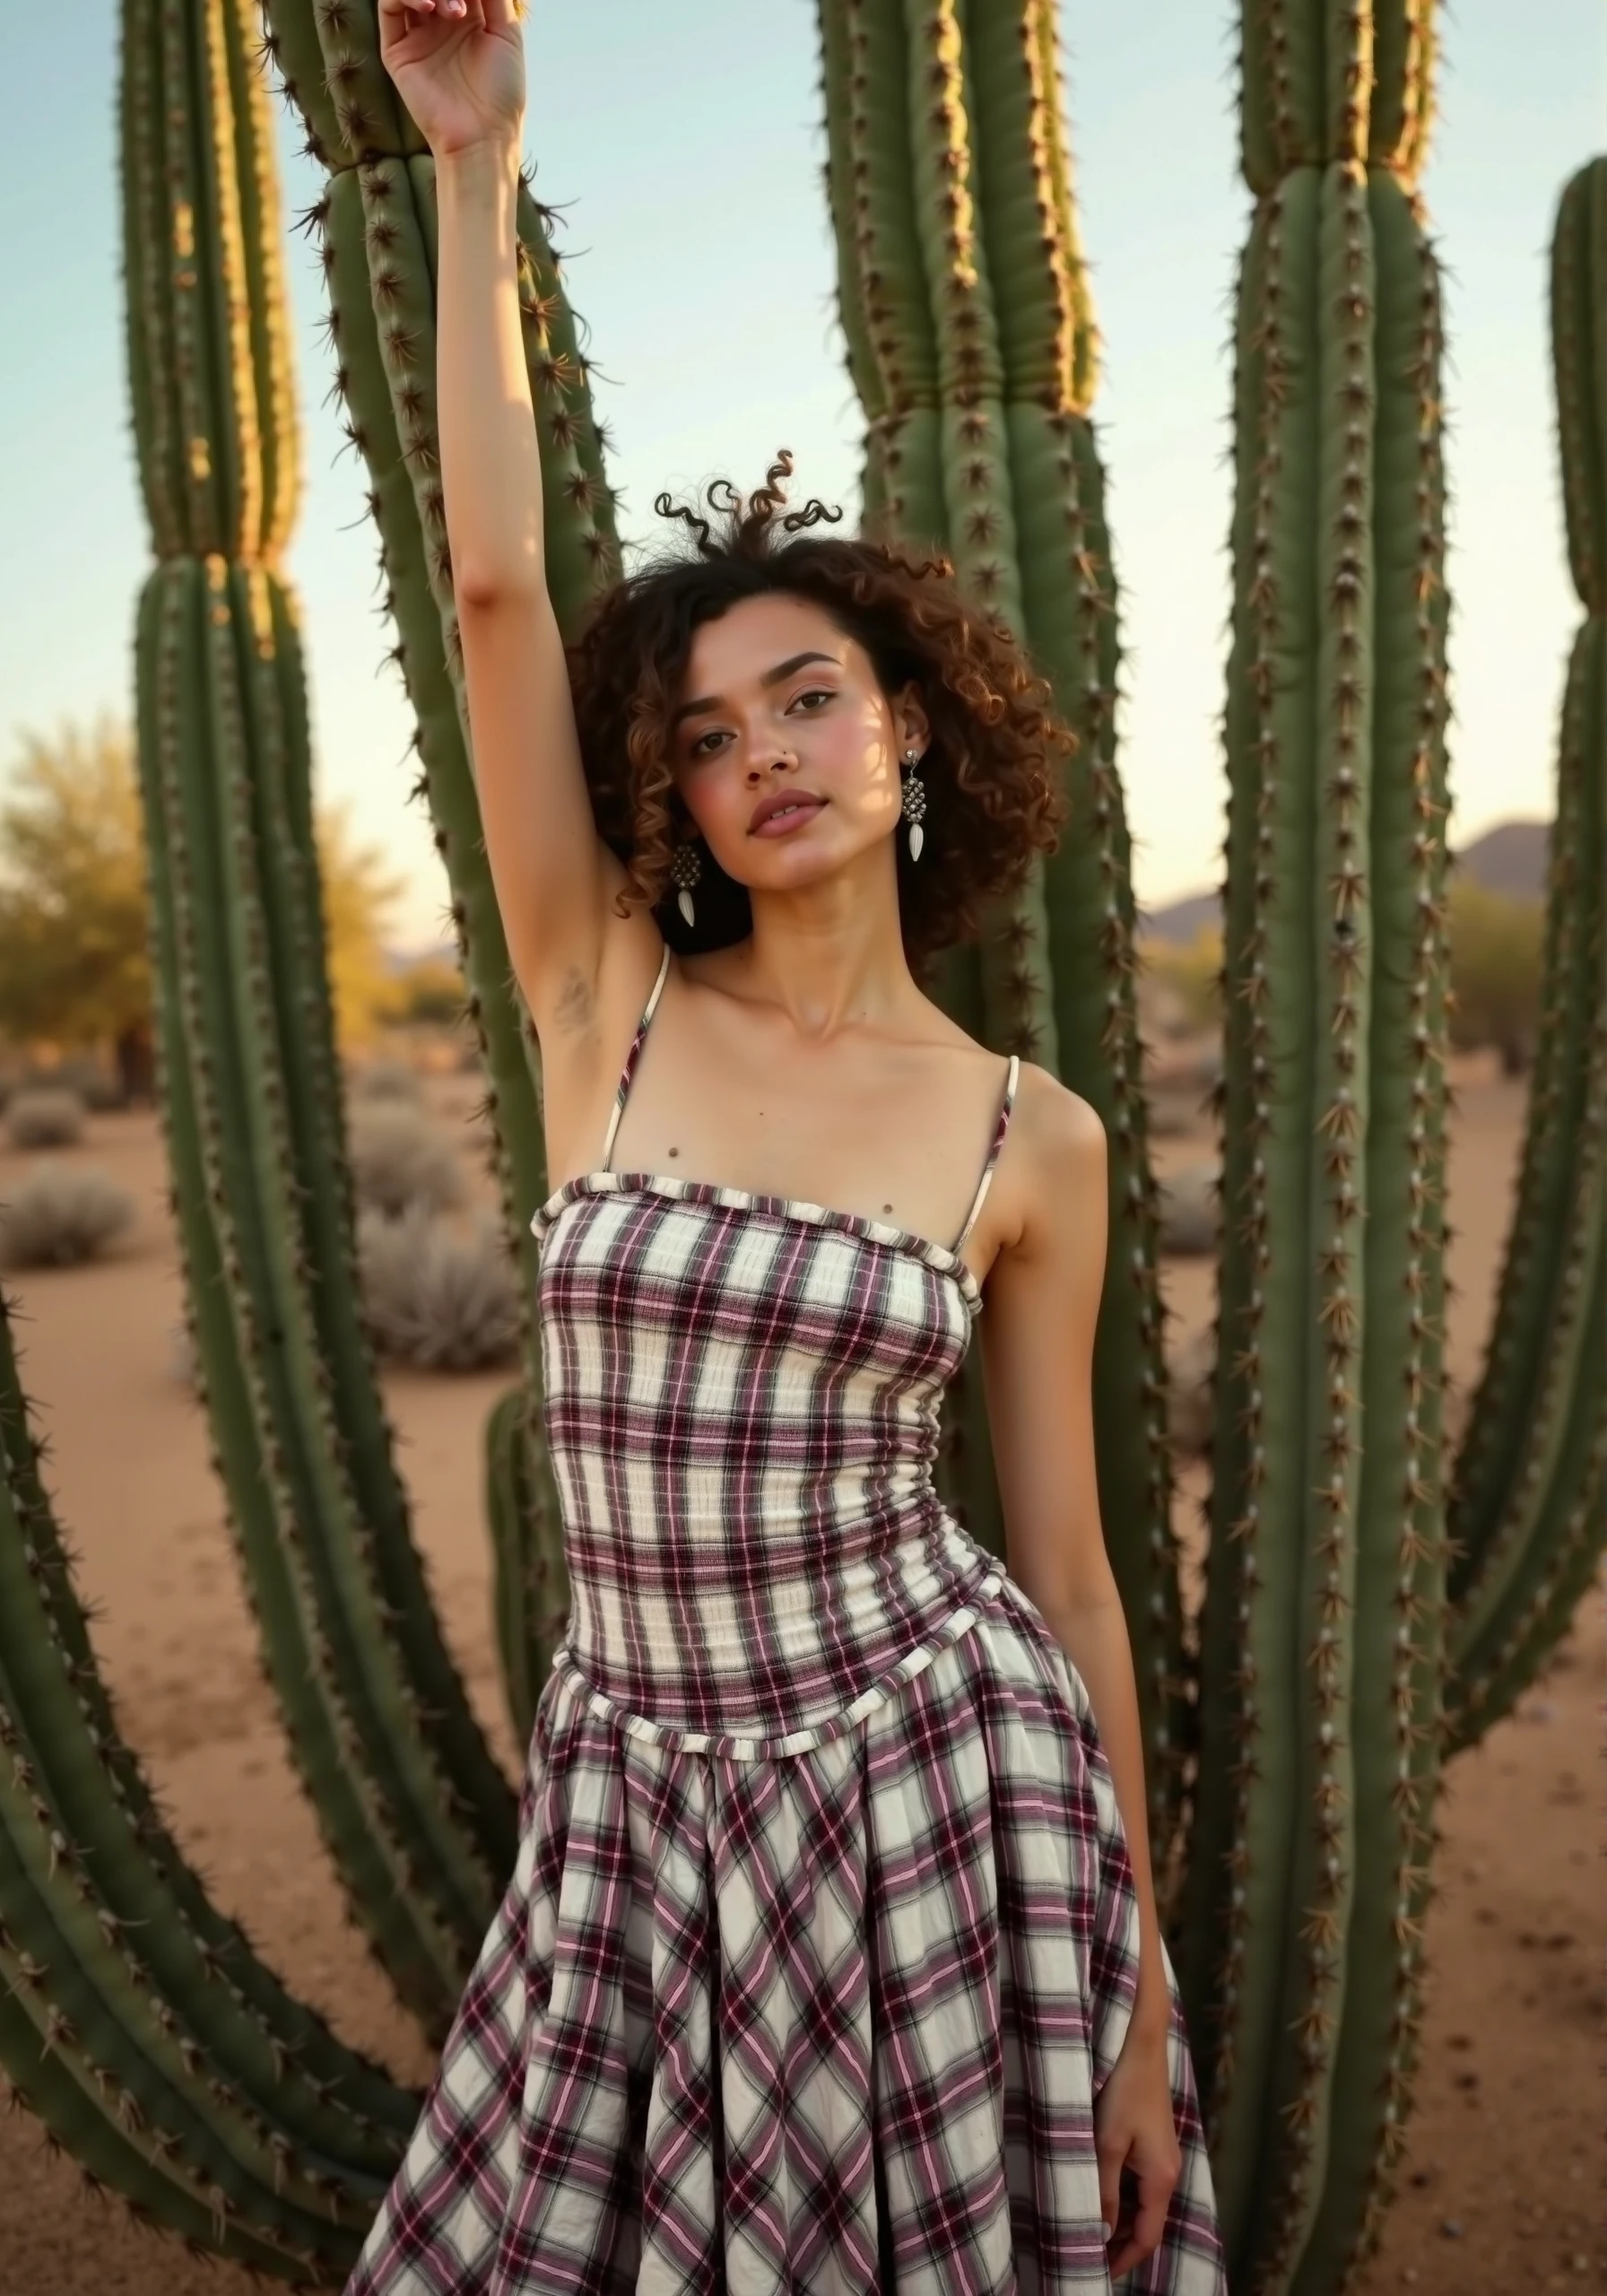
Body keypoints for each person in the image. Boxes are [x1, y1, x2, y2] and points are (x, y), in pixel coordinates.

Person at [352, 4, 1227, 2289]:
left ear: (908, 721)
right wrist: (473, 173)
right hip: (636, 1810)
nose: (767, 753)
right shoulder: (602, 1006)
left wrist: (1133, 1996)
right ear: (674, 790)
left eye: (812, 695)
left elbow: (1067, 1573)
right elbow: (496, 594)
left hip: (938, 1792)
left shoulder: (1023, 1135)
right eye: (713, 728)